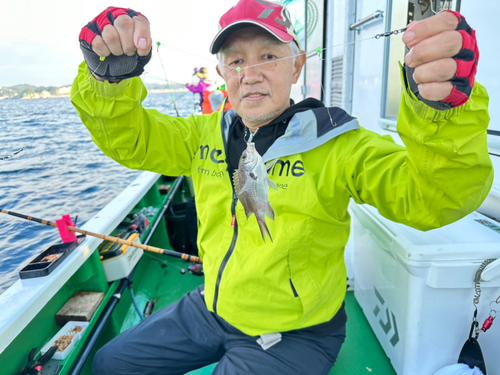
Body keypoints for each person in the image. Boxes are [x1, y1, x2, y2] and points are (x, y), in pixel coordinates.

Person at [72, 1, 493, 374]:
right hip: (215, 306)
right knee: (110, 362)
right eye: (235, 61)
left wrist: (443, 112)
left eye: (268, 56)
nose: (250, 75)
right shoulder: (201, 135)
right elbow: (130, 138)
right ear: (221, 73)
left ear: (296, 65)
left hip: (297, 331)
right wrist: (108, 81)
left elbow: (432, 199)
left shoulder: (341, 143)